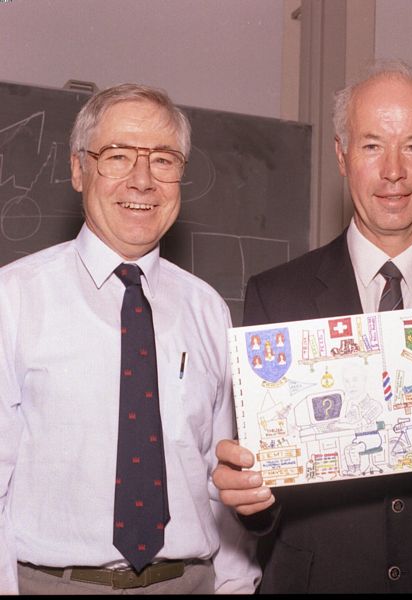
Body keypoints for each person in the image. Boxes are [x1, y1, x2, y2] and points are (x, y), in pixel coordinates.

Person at [212, 60, 412, 593]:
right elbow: (264, 489)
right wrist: (249, 499)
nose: (393, 172)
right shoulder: (275, 294)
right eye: (371, 145)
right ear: (341, 154)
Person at [0, 83, 260, 595]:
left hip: (190, 582)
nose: (142, 181)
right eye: (117, 156)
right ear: (79, 170)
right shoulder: (14, 299)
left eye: (163, 160)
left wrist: (235, 585)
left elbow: (225, 475)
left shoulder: (208, 309)